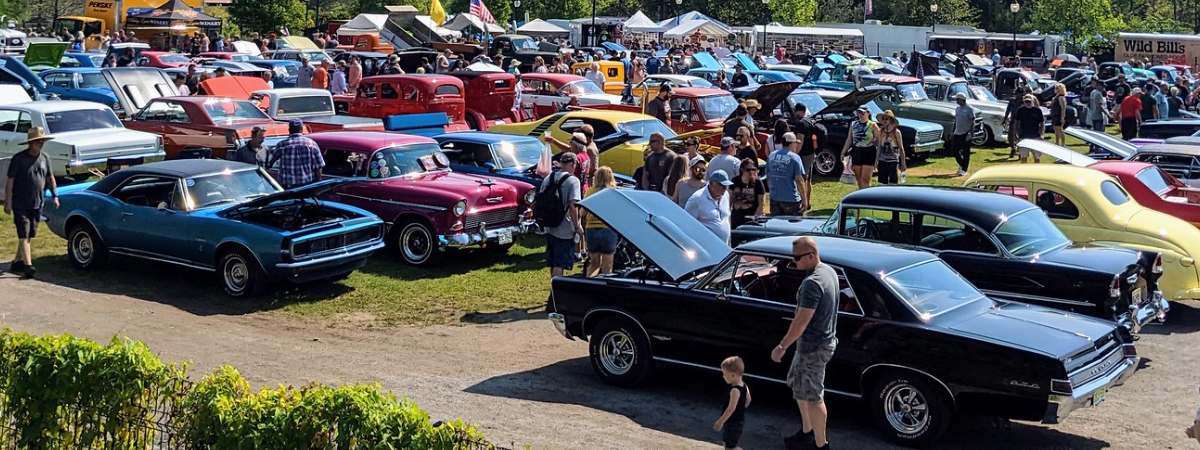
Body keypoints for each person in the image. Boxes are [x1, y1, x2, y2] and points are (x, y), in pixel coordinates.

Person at [771, 236, 838, 450]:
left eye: (797, 258)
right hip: (820, 343)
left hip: (813, 347)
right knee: (798, 387)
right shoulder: (829, 271)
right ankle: (807, 432)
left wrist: (782, 346)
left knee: (813, 396)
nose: (794, 263)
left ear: (811, 255)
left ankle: (820, 444)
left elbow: (802, 320)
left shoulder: (812, 283)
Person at [4, 127, 58, 279]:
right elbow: (10, 181)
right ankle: (28, 266)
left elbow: (50, 177)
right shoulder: (18, 159)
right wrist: (7, 201)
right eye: (37, 142)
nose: (40, 144)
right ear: (30, 143)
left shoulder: (45, 158)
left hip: (37, 203)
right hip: (19, 203)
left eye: (42, 141)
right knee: (24, 233)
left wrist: (55, 195)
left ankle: (16, 262)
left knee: (29, 234)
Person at [540, 152, 583, 279]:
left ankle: (553, 288)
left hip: (549, 226)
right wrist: (577, 226)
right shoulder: (573, 181)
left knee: (553, 262)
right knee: (560, 263)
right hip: (564, 228)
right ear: (571, 164)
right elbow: (573, 205)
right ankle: (555, 293)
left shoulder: (549, 178)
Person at [268, 120, 325, 188]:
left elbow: (271, 163)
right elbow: (319, 166)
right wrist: (318, 182)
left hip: (288, 186)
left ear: (289, 130)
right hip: (307, 185)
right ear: (301, 129)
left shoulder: (282, 144)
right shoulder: (312, 144)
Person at [583, 166, 618, 277]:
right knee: (607, 265)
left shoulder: (590, 192)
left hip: (591, 229)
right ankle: (605, 288)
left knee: (594, 263)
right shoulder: (614, 192)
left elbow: (583, 213)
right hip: (608, 229)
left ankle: (589, 285)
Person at [685, 169, 733, 244]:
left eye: (726, 186)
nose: (725, 188)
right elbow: (687, 224)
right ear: (712, 184)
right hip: (706, 247)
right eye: (722, 186)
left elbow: (727, 218)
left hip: (724, 247)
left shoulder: (725, 195)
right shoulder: (697, 199)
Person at [713, 356, 751, 450]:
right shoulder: (744, 386)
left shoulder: (735, 390)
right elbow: (748, 400)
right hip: (739, 421)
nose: (723, 376)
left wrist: (720, 422)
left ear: (733, 375)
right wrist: (741, 409)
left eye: (725, 374)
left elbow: (731, 408)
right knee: (731, 444)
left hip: (732, 423)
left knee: (729, 447)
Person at [789, 105, 820, 210]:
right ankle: (808, 201)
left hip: (803, 155)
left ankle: (803, 203)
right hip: (811, 153)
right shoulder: (809, 121)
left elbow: (800, 140)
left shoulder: (800, 124)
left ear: (798, 111)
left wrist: (794, 154)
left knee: (801, 179)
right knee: (808, 180)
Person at [768, 132, 806, 215]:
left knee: (776, 225)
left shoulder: (771, 156)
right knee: (793, 226)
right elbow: (799, 180)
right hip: (791, 200)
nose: (796, 145)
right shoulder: (795, 158)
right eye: (795, 143)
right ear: (791, 143)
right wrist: (804, 200)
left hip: (775, 198)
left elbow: (768, 176)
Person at [842, 106, 879, 189]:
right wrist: (843, 152)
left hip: (869, 152)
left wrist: (875, 142)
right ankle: (861, 196)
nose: (861, 115)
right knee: (859, 179)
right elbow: (849, 139)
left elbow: (879, 140)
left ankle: (867, 198)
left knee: (865, 179)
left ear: (868, 113)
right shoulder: (853, 124)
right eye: (859, 112)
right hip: (857, 151)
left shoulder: (873, 125)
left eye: (863, 113)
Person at [730, 158, 765, 228]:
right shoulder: (735, 181)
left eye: (753, 169)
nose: (751, 172)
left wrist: (755, 218)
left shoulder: (758, 183)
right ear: (742, 170)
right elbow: (729, 200)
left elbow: (761, 204)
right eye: (748, 170)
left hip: (752, 218)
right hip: (736, 218)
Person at [876, 111, 906, 184]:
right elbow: (879, 146)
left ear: (891, 120)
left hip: (893, 161)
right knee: (882, 183)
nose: (885, 120)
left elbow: (901, 148)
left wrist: (903, 163)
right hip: (882, 161)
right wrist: (876, 161)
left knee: (893, 183)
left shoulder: (896, 132)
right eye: (883, 119)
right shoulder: (881, 131)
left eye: (887, 118)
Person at [1015, 94, 1046, 163]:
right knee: (1023, 157)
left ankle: (1036, 171)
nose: (1028, 103)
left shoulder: (1038, 110)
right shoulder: (1020, 110)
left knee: (1037, 157)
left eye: (1029, 101)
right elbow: (1017, 123)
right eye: (1026, 102)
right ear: (1024, 102)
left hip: (1036, 136)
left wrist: (1042, 134)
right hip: (1023, 137)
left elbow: (1042, 123)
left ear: (1033, 101)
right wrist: (1016, 134)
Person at [951, 93, 975, 176]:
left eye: (957, 99)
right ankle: (962, 164)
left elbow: (972, 121)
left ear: (962, 100)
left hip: (966, 133)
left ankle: (964, 169)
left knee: (966, 152)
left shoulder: (969, 109)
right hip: (957, 132)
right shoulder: (957, 109)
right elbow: (956, 121)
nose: (956, 101)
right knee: (955, 150)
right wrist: (953, 131)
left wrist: (970, 133)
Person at [1003, 85, 1025, 159]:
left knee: (1019, 137)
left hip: (1021, 122)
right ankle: (1013, 148)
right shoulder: (1012, 101)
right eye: (1017, 93)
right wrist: (1005, 119)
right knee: (1010, 137)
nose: (1018, 95)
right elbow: (1008, 110)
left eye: (1020, 94)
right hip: (1013, 120)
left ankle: (1019, 151)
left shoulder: (1024, 102)